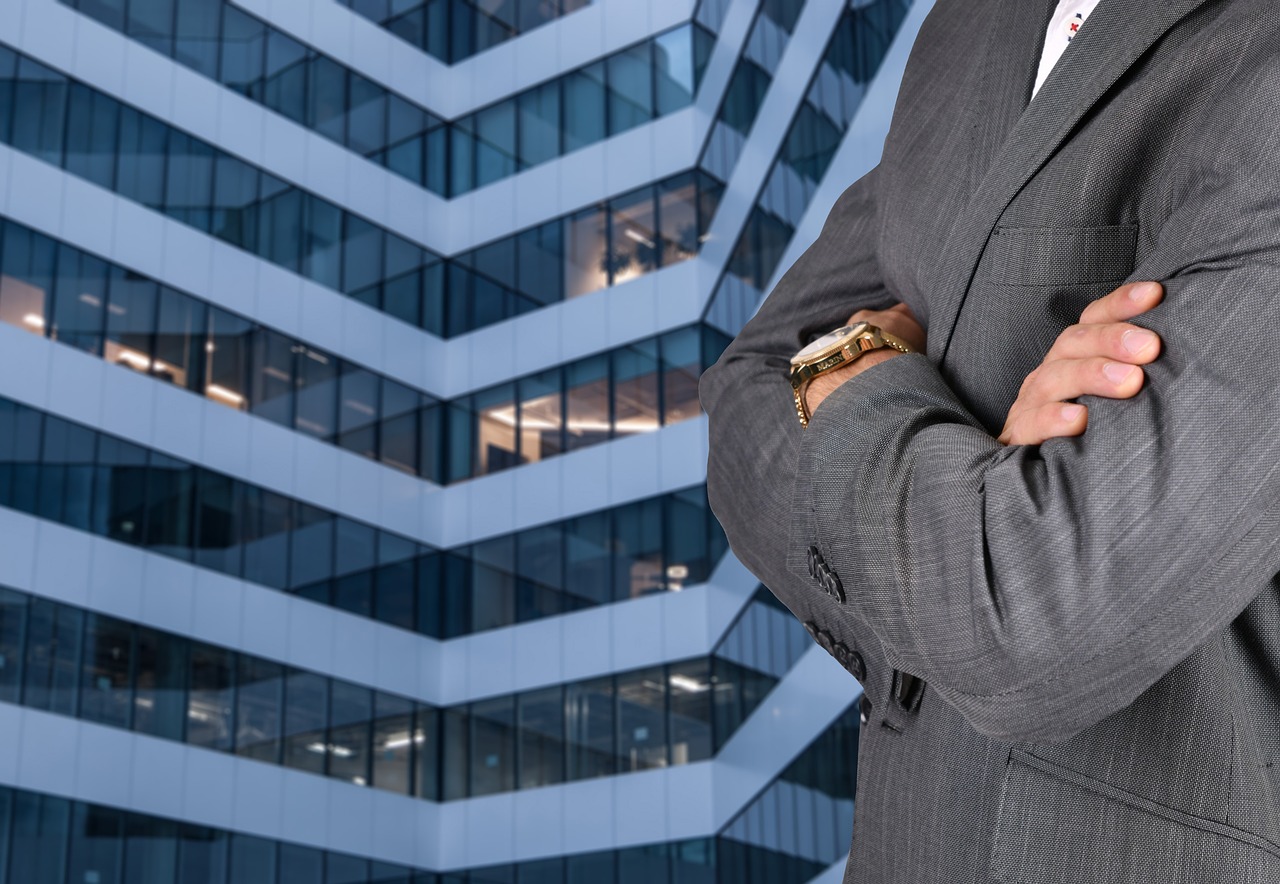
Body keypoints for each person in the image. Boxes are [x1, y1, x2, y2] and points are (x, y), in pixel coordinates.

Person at [699, 0, 1280, 881]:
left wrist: (857, 385)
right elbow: (750, 389)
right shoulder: (967, 29)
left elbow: (1033, 617)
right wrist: (961, 499)